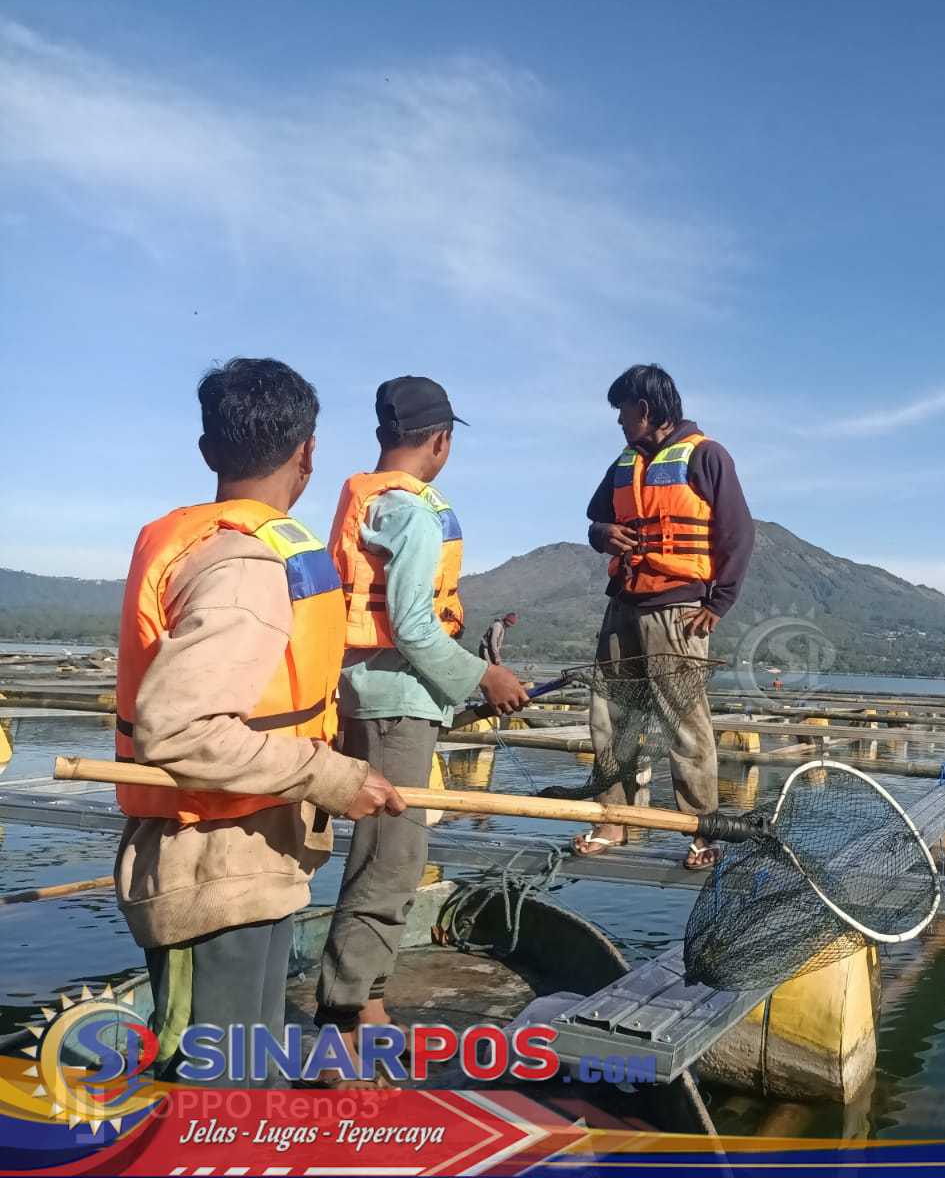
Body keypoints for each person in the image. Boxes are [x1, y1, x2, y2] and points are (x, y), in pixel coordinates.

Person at [114, 358, 405, 1086]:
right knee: (216, 1093)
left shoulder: (222, 548)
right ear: (308, 453)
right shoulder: (243, 566)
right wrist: (333, 775)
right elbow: (182, 730)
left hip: (252, 860)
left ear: (209, 450)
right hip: (209, 871)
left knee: (254, 1066)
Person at [315, 376, 529, 1075]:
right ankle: (341, 1014)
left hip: (380, 695)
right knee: (390, 859)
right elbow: (410, 626)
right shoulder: (411, 514)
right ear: (441, 442)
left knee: (396, 854)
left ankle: (370, 1000)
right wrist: (483, 677)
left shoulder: (374, 500)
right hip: (393, 706)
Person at [577, 364, 754, 869]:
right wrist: (603, 536)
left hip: (679, 610)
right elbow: (596, 519)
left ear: (645, 410)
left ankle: (702, 830)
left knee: (685, 723)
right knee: (611, 719)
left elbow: (738, 534)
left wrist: (717, 604)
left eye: (622, 412)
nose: (618, 422)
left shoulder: (706, 455)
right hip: (624, 605)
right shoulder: (623, 462)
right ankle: (615, 819)